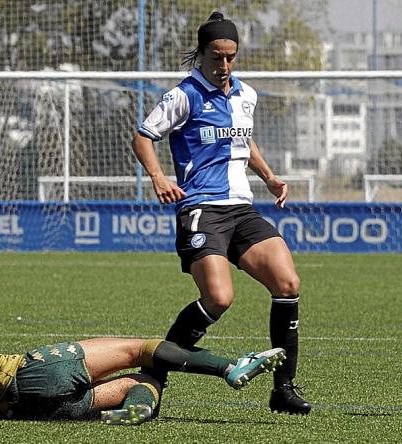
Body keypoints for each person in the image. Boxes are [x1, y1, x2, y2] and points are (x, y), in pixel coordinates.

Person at [0, 257, 286, 425]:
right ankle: (229, 367)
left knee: (138, 382)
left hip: (26, 412)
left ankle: (138, 405)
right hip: (33, 372)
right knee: (141, 349)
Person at [132, 11, 311, 415]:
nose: (224, 65)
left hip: (241, 209)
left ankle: (283, 390)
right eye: (216, 57)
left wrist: (269, 177)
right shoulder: (184, 95)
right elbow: (143, 137)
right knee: (218, 297)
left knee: (287, 283)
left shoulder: (246, 95)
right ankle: (155, 376)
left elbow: (244, 143)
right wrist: (158, 176)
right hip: (201, 208)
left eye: (231, 56)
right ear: (202, 54)